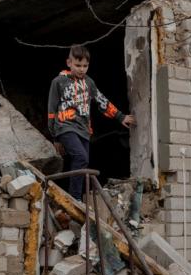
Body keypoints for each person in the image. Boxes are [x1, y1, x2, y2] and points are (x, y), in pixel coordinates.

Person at [47, 44, 135, 200]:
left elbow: (102, 102)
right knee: (81, 157)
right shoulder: (58, 82)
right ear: (69, 63)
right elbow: (51, 110)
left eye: (85, 66)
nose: (81, 69)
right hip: (65, 127)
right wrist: (55, 137)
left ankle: (77, 195)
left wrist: (120, 116)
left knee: (82, 163)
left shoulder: (89, 83)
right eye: (78, 65)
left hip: (84, 130)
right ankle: (76, 198)